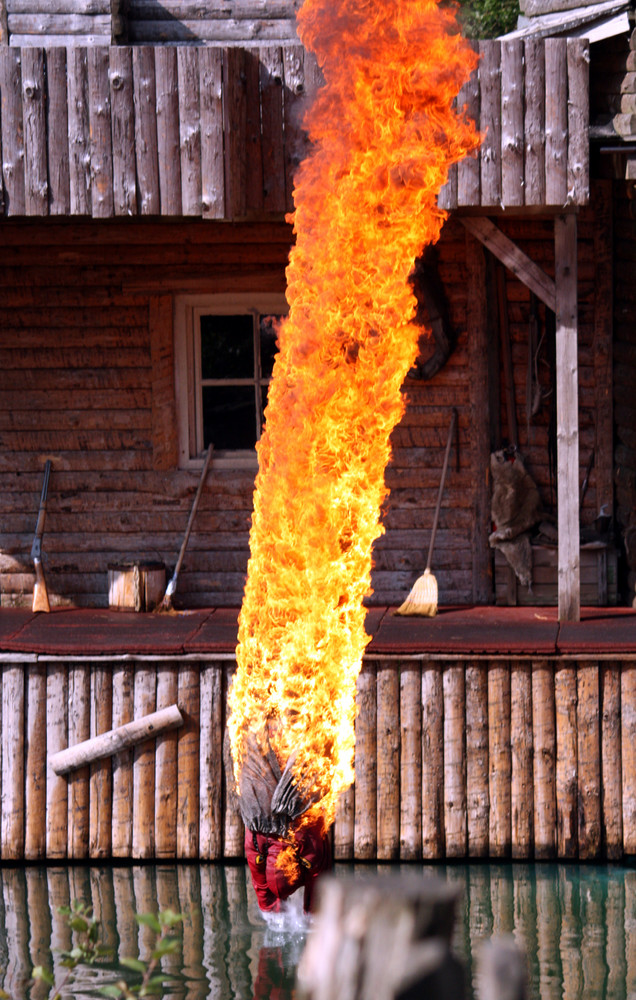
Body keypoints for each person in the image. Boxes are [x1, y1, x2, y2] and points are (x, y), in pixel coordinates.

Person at [245, 814, 332, 913]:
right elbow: (261, 885)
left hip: (302, 821)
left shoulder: (310, 844)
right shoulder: (254, 843)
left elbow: (319, 880)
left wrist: (313, 915)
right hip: (268, 823)